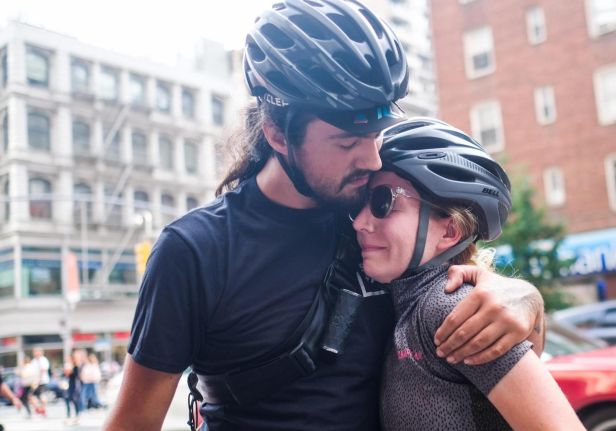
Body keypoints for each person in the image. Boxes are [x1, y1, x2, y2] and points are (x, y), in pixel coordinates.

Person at [104, 1, 543, 430]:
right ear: (277, 132)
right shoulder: (195, 252)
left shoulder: (376, 218)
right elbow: (134, 421)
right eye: (347, 143)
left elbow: (462, 290)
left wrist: (527, 300)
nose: (372, 160)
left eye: (376, 135)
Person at [353, 118, 583, 430]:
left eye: (383, 202)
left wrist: (531, 303)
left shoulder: (450, 306)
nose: (360, 222)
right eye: (360, 203)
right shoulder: (404, 306)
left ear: (449, 231)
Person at [63, 350, 84, 426]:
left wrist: (70, 371)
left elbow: (77, 375)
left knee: (75, 400)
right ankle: (70, 415)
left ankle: (77, 416)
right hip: (70, 384)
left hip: (75, 385)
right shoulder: (71, 366)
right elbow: (66, 374)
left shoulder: (76, 366)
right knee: (68, 399)